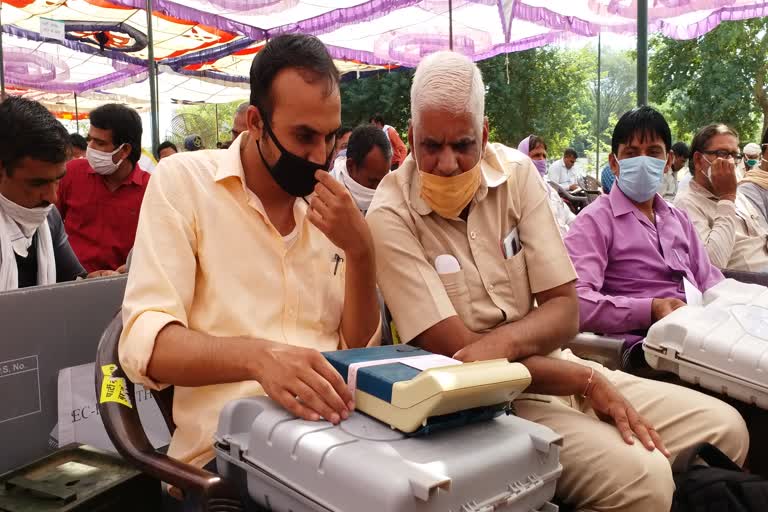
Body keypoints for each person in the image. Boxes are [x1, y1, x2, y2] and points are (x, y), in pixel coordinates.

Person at [366, 52, 747, 512]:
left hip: (562, 364)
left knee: (727, 428)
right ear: (411, 136)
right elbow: (462, 358)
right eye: (431, 146)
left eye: (463, 145)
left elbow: (565, 312)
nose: (446, 163)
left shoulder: (517, 174)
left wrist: (539, 358)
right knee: (643, 479)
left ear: (485, 136)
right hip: (480, 406)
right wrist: (583, 379)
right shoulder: (389, 213)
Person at [119, 34, 381, 480]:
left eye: (330, 136)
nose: (319, 156)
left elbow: (356, 354)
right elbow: (147, 345)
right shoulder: (184, 183)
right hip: (225, 460)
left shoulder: (333, 212)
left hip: (339, 446)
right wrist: (259, 358)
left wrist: (360, 252)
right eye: (303, 136)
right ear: (256, 122)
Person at [0, 97, 87, 291]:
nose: (52, 197)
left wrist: (98, 281)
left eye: (58, 179)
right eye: (38, 183)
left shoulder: (48, 218)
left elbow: (74, 281)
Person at [57, 104, 150, 273]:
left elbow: (157, 245)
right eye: (89, 139)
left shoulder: (150, 189)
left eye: (100, 143)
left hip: (123, 286)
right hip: (71, 284)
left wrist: (132, 267)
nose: (90, 148)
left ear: (125, 150)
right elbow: (47, 225)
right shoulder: (71, 173)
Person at [674, 124, 768, 272]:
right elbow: (712, 264)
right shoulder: (686, 203)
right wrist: (727, 198)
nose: (730, 162)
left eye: (735, 155)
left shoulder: (739, 195)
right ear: (698, 160)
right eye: (722, 153)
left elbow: (763, 234)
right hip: (747, 286)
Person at [517, 134, 574, 235]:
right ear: (523, 157)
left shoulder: (547, 186)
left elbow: (567, 216)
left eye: (544, 156)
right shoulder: (519, 193)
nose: (542, 160)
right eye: (536, 155)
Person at [331, 124, 391, 214]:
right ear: (350, 167)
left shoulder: (391, 194)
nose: (378, 189)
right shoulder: (324, 200)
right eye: (372, 181)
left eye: (383, 182)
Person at [739, 131, 768, 223]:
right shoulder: (748, 190)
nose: (753, 159)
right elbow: (760, 232)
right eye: (750, 156)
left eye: (755, 156)